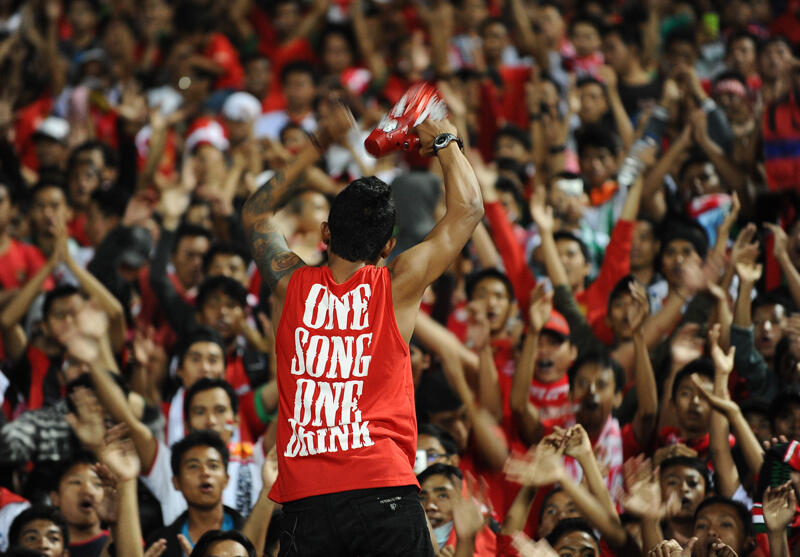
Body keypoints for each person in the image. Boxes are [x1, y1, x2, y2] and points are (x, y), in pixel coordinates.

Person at [242, 101, 482, 555]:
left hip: (307, 505)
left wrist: (319, 144)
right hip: (385, 493)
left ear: (325, 232)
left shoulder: (288, 283)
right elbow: (468, 208)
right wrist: (446, 142)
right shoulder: (397, 284)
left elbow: (255, 212)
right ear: (390, 244)